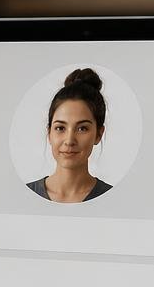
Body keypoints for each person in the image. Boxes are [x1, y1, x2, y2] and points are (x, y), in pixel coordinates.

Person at [26, 68, 113, 204]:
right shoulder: (24, 195)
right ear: (49, 133)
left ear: (98, 134)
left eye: (82, 128)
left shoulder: (115, 199)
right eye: (60, 128)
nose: (69, 140)